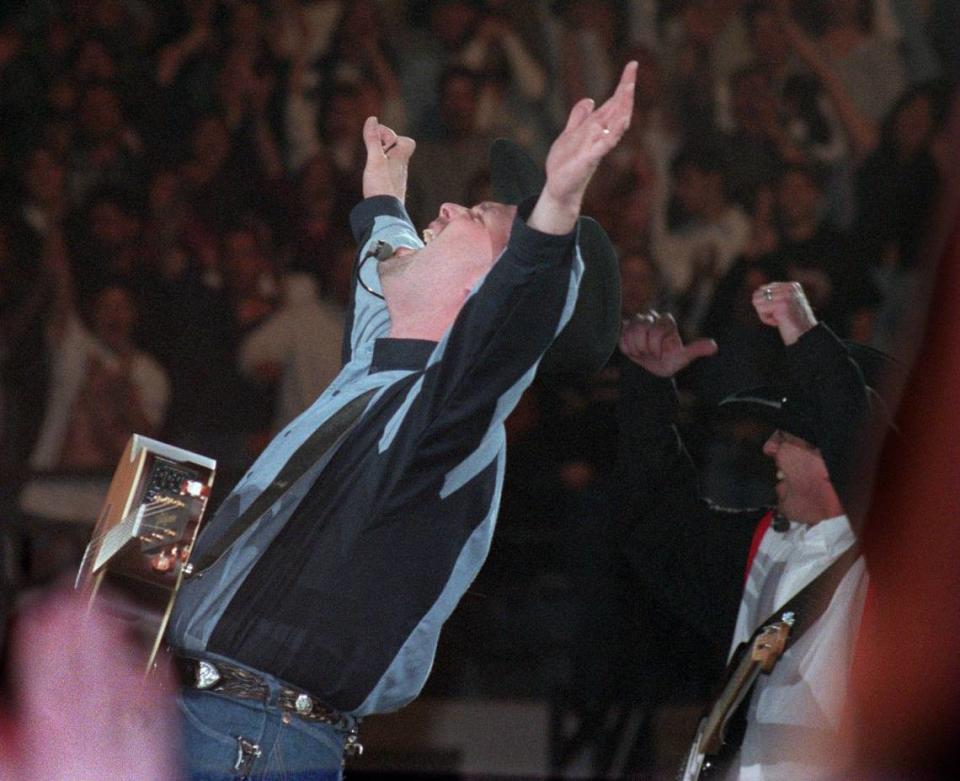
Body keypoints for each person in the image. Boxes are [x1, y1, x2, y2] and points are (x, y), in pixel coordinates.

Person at [164, 62, 638, 780]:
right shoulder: (382, 368)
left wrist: (559, 203)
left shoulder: (449, 423)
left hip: (248, 740)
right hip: (208, 723)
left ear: (490, 294)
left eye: (477, 217)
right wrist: (383, 193)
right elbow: (381, 287)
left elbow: (507, 326)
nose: (447, 207)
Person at [617, 280, 874, 779]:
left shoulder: (893, 565)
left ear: (833, 459)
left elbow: (856, 444)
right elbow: (658, 527)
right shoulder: (766, 546)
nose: (768, 449)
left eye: (788, 436)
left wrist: (804, 332)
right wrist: (648, 390)